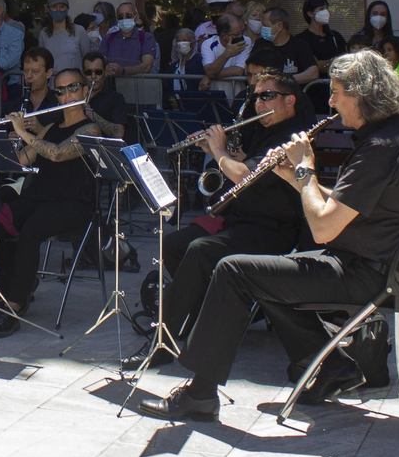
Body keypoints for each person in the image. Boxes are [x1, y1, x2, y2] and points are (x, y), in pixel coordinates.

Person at [140, 51, 399, 421]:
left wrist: (304, 170)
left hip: (366, 273)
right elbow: (345, 204)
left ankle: (199, 396)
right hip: (379, 267)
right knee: (268, 274)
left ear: (362, 93)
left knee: (234, 270)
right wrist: (288, 175)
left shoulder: (380, 149)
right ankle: (333, 366)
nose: (331, 102)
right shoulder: (398, 136)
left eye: (336, 92)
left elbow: (323, 227)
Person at [129, 72, 313, 370]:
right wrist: (218, 151)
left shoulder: (292, 137)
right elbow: (242, 163)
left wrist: (217, 150)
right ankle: (199, 316)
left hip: (273, 228)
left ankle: (163, 342)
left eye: (267, 96)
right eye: (256, 96)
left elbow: (245, 176)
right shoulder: (261, 129)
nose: (259, 103)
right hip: (240, 220)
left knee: (201, 250)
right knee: (173, 244)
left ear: (290, 100)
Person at [0, 67, 114, 338]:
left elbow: (58, 154)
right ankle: (20, 278)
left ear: (85, 91)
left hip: (73, 204)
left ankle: (14, 306)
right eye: (60, 91)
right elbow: (20, 161)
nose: (66, 95)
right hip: (38, 198)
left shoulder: (91, 129)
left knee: (31, 231)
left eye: (73, 88)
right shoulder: (50, 128)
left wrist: (24, 132)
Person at [100, 1, 159, 102]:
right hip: (112, 95)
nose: (124, 19)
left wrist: (122, 70)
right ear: (116, 19)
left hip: (139, 95)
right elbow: (99, 63)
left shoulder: (146, 38)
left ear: (136, 17)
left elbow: (147, 66)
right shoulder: (108, 38)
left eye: (128, 15)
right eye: (120, 16)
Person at [254, 7, 318, 85]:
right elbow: (250, 69)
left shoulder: (300, 45)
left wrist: (283, 81)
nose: (262, 28)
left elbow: (313, 73)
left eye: (265, 25)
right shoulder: (260, 44)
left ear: (279, 26)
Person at [200, 13, 255, 102]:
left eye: (242, 32)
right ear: (224, 36)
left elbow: (238, 70)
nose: (240, 36)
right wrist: (227, 54)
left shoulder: (246, 41)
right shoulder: (207, 44)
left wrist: (209, 75)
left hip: (238, 95)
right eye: (237, 34)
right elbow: (210, 70)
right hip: (216, 95)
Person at [296, 0, 347, 77]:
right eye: (321, 9)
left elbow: (345, 62)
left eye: (326, 8)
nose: (325, 12)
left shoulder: (335, 36)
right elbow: (313, 66)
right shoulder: (301, 39)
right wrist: (334, 62)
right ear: (310, 13)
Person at [38, 0, 85, 74]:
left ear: (67, 9)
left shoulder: (79, 31)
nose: (58, 10)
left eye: (62, 7)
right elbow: (42, 59)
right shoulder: (44, 33)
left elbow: (86, 58)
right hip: (52, 80)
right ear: (48, 9)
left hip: (75, 80)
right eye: (54, 7)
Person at [82, 52, 128, 127]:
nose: (93, 76)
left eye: (98, 72)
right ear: (83, 73)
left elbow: (119, 132)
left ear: (105, 71)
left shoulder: (116, 98)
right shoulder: (76, 96)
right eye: (88, 72)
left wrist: (92, 115)